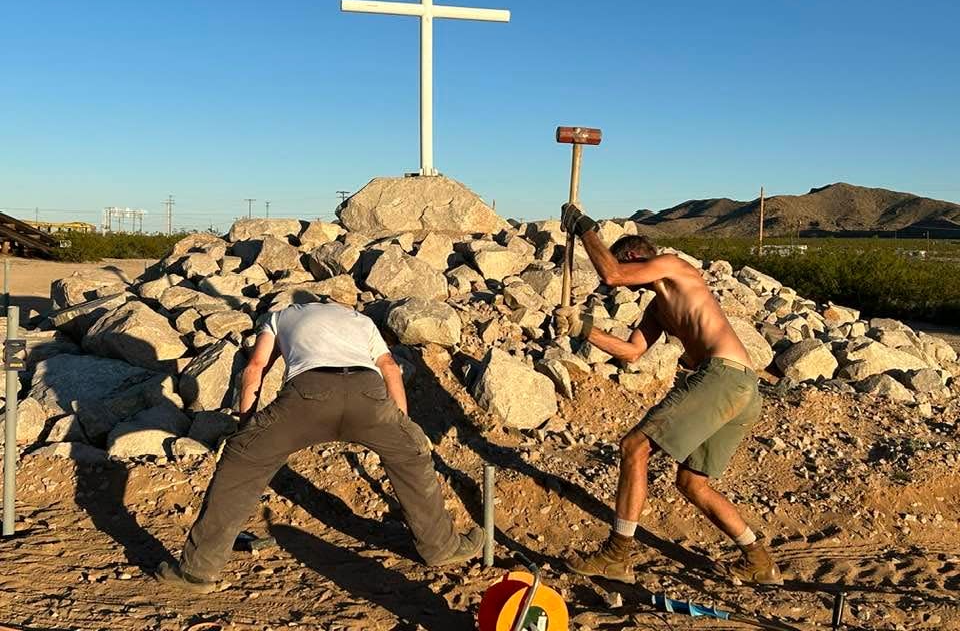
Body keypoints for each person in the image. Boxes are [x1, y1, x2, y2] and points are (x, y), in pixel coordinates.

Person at [156, 301, 483, 592]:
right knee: (411, 454)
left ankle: (196, 571)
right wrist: (402, 425)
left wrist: (247, 427)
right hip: (368, 395)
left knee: (241, 461)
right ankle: (440, 547)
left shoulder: (278, 317)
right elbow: (389, 369)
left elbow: (255, 369)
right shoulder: (360, 320)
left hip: (307, 396)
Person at [554, 203, 781, 586]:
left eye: (630, 267)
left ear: (635, 258)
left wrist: (585, 228)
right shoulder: (659, 309)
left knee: (634, 447)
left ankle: (617, 555)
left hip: (722, 376)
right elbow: (632, 352)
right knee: (692, 483)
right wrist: (582, 329)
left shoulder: (674, 266)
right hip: (742, 387)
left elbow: (611, 273)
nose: (631, 282)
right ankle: (758, 560)